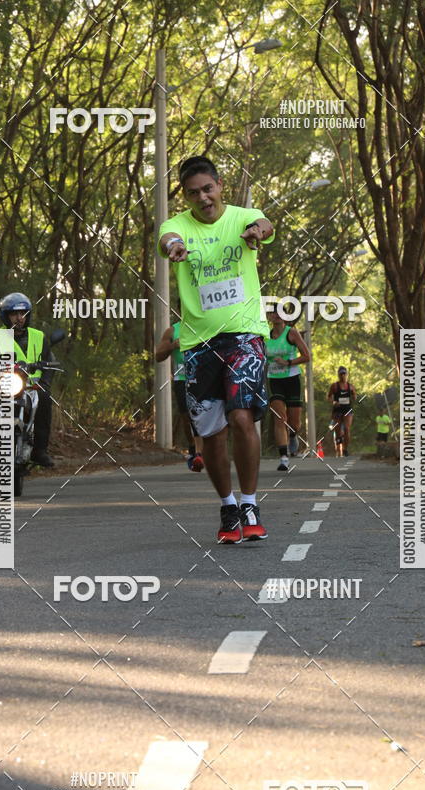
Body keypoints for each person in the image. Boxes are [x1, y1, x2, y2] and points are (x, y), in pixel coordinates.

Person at [158, 155, 275, 543]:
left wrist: (257, 231)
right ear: (186, 197)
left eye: (208, 189)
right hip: (198, 344)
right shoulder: (177, 225)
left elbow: (265, 224)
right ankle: (227, 506)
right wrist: (174, 247)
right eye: (194, 194)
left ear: (220, 184)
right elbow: (167, 239)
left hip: (244, 335)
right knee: (211, 433)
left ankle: (250, 501)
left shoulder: (243, 217)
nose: (203, 198)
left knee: (242, 418)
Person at [0, 292, 56, 467]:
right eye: (14, 314)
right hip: (2, 386)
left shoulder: (39, 336)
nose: (19, 318)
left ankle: (40, 450)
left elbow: (50, 361)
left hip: (32, 387)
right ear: (6, 316)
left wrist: (44, 381)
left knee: (45, 399)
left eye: (22, 313)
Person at [155, 320, 204, 471]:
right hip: (181, 379)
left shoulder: (204, 326)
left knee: (198, 415)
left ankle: (199, 454)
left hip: (202, 378)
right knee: (186, 418)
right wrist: (172, 346)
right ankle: (192, 447)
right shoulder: (172, 331)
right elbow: (158, 356)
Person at [265, 308, 310, 471]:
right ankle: (283, 457)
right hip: (275, 380)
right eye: (273, 313)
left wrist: (288, 363)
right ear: (269, 317)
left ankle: (292, 436)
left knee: (294, 422)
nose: (276, 315)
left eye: (279, 313)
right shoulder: (265, 336)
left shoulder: (291, 333)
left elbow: (307, 356)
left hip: (292, 380)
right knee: (279, 418)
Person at [327, 366, 356, 457]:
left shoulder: (350, 386)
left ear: (346, 374)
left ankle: (345, 449)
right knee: (338, 431)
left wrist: (354, 396)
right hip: (337, 410)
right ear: (338, 375)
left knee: (347, 429)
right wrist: (334, 402)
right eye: (341, 374)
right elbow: (328, 397)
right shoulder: (334, 386)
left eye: (344, 374)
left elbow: (355, 396)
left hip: (347, 410)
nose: (342, 375)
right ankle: (338, 446)